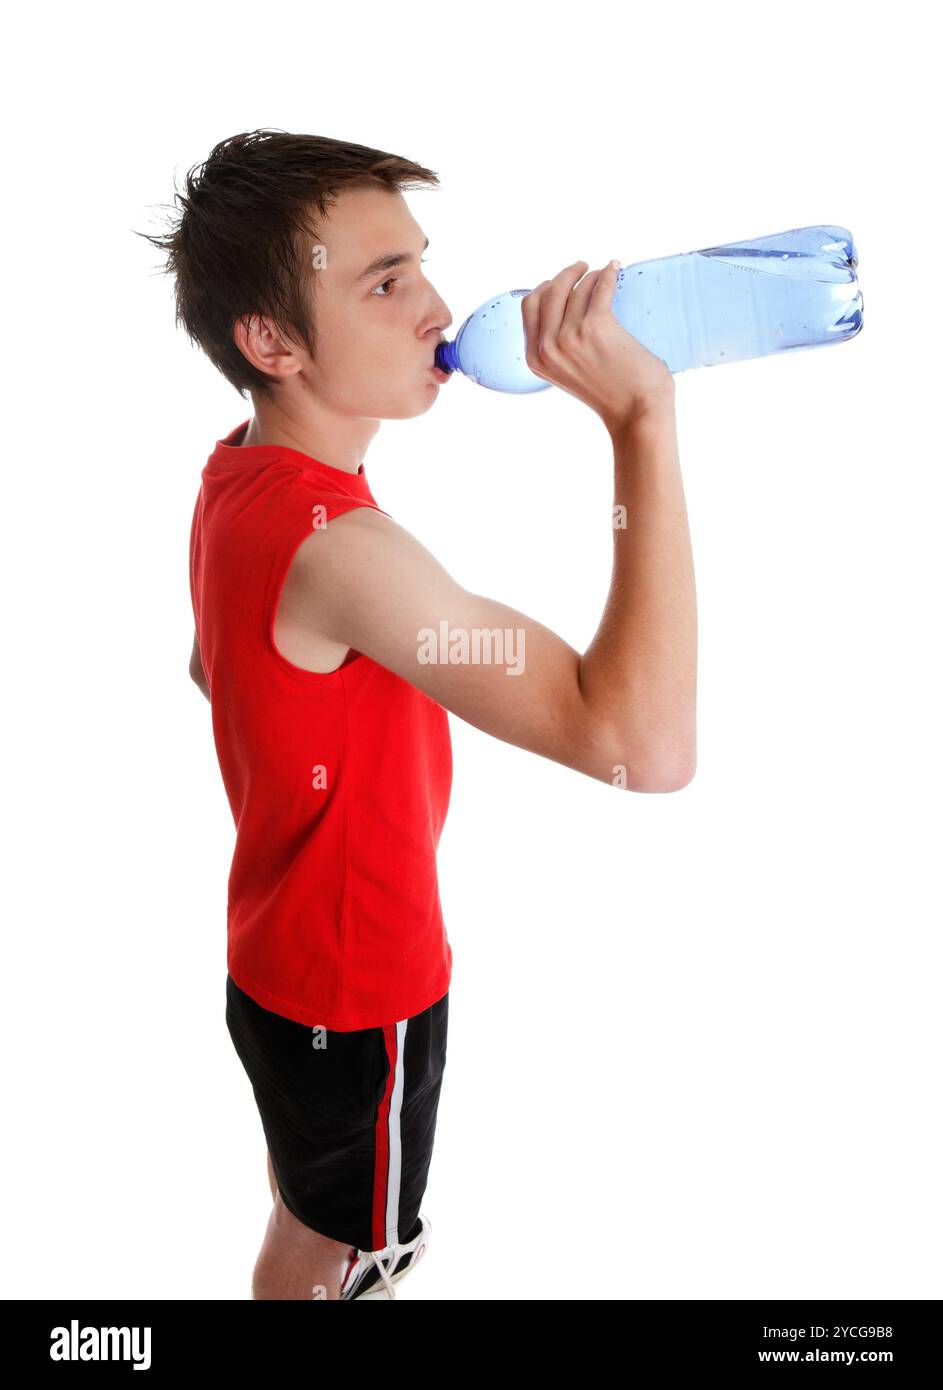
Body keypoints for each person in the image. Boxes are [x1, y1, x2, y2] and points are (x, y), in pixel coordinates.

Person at [142, 128, 697, 1300]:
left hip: (274, 965)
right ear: (272, 341)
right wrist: (640, 424)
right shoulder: (349, 556)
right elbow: (639, 744)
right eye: (383, 283)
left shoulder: (237, 476)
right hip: (357, 1001)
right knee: (359, 1251)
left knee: (310, 1214)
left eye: (420, 265)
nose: (435, 305)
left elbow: (213, 664)